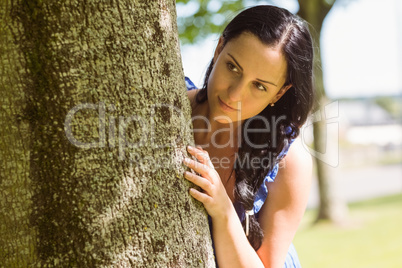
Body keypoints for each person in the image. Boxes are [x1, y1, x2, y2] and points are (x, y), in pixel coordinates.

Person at [182, 5, 314, 268]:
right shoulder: (172, 105)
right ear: (219, 48)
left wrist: (223, 209)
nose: (234, 94)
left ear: (279, 94)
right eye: (232, 67)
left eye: (259, 85)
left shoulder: (289, 162)